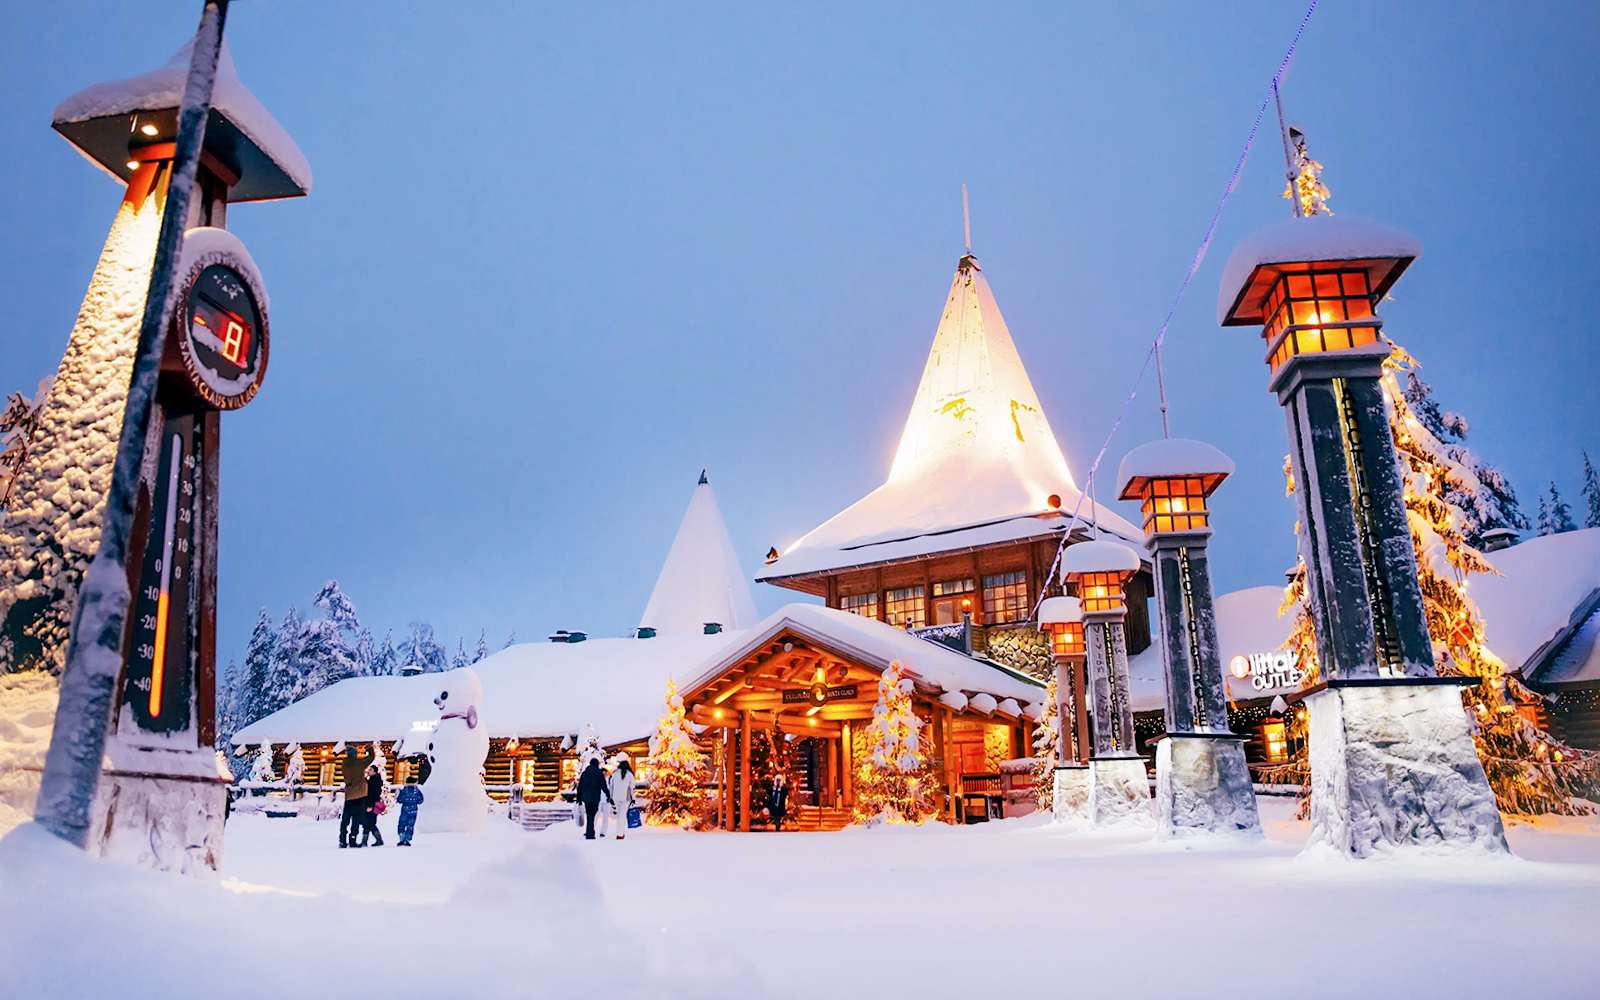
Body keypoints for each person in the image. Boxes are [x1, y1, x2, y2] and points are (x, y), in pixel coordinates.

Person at [338, 746, 371, 848]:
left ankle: (342, 839)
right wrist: (369, 749)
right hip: (360, 794)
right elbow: (370, 758)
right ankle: (353, 839)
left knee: (345, 819)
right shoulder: (359, 764)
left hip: (349, 795)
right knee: (356, 819)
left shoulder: (344, 764)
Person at [575, 758, 610, 840]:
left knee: (589, 814)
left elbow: (580, 786)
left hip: (586, 797)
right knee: (593, 814)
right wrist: (608, 795)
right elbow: (603, 785)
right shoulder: (599, 773)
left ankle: (589, 831)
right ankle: (590, 832)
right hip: (595, 797)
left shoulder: (585, 773)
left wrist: (579, 798)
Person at [606, 757, 637, 841]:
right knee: (622, 815)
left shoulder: (615, 774)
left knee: (619, 814)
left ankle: (620, 832)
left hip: (616, 797)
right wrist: (633, 798)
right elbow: (632, 787)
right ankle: (620, 833)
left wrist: (611, 797)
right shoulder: (629, 775)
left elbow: (611, 786)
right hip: (626, 797)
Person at [395, 769, 424, 846]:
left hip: (405, 809)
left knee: (402, 823)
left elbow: (399, 800)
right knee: (410, 824)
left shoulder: (404, 790)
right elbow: (421, 800)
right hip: (413, 809)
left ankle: (401, 837)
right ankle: (407, 839)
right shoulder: (417, 791)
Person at [358, 764, 385, 847]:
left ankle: (377, 840)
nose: (369, 771)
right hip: (369, 803)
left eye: (371, 770)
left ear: (375, 772)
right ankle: (366, 841)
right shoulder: (371, 780)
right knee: (368, 822)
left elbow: (373, 794)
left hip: (372, 804)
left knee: (370, 823)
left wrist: (370, 805)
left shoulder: (375, 781)